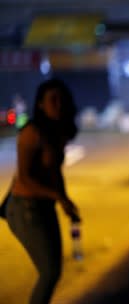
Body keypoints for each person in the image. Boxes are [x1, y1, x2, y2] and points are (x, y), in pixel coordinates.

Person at [5, 78, 81, 304]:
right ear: (39, 104)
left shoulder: (56, 132)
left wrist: (65, 200)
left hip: (45, 206)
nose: (58, 104)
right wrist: (58, 197)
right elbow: (25, 178)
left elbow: (55, 173)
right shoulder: (31, 132)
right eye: (52, 100)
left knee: (54, 270)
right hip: (25, 208)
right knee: (49, 273)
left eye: (61, 99)